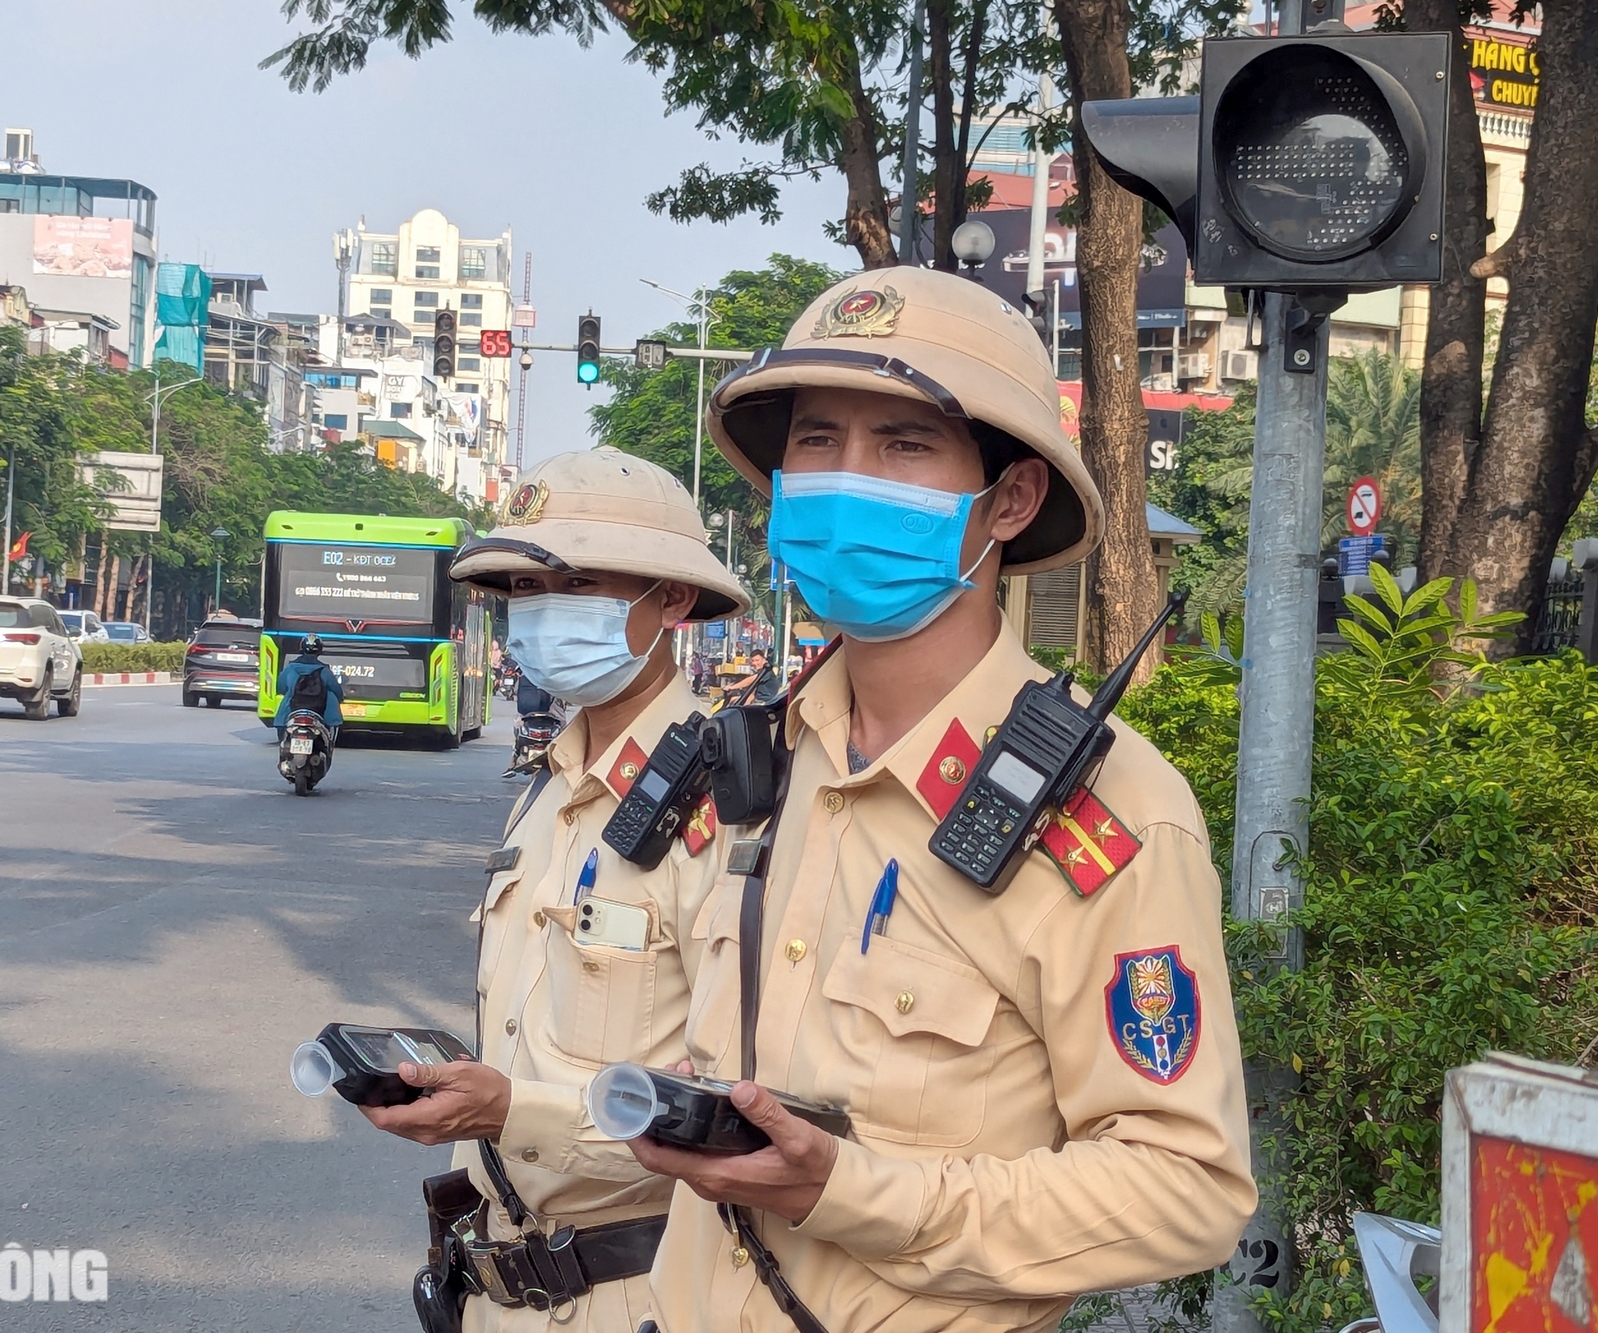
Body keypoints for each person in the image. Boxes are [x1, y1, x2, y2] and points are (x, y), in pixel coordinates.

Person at [628, 267, 1255, 1333]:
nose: (844, 477)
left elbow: (1186, 1189)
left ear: (1007, 499)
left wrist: (856, 1194)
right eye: (816, 440)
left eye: (903, 445)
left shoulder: (1106, 815)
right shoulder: (762, 758)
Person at [358, 447, 750, 1333]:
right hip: (497, 1285)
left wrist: (513, 1110)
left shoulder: (727, 805)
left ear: (672, 598)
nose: (539, 614)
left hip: (640, 1295)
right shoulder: (549, 784)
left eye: (573, 581)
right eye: (523, 590)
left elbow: (736, 1105)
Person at [273, 634, 344, 740]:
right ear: (319, 649)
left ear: (301, 648)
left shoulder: (290, 668)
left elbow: (281, 687)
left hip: (293, 708)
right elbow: (337, 691)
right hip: (319, 710)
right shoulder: (324, 671)